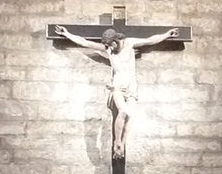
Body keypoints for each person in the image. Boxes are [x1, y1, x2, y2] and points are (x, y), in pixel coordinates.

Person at [54, 25, 179, 158]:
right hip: (118, 85)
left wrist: (167, 34)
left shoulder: (129, 43)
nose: (110, 48)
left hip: (131, 86)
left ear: (116, 40)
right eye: (107, 45)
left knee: (130, 115)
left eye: (111, 44)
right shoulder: (108, 49)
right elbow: (85, 42)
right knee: (123, 111)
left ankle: (122, 145)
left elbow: (150, 40)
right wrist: (67, 34)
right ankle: (117, 141)